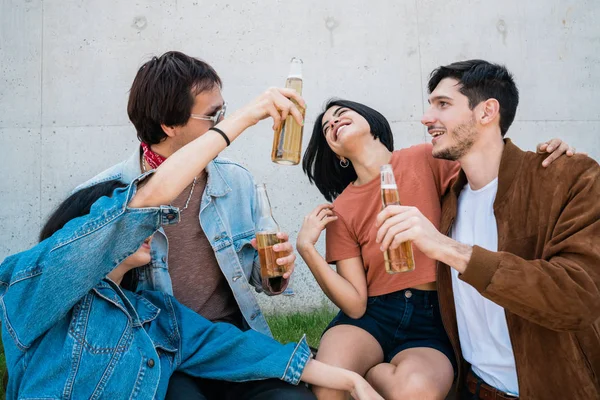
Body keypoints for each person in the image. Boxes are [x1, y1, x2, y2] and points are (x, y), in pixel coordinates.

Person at [0, 93, 384, 400]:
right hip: (174, 368)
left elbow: (228, 344)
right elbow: (137, 208)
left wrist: (349, 380)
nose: (152, 224)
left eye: (224, 112)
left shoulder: (156, 316)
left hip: (213, 341)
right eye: (212, 114)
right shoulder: (39, 290)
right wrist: (248, 117)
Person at [298, 98, 575, 399]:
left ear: (371, 122)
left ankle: (371, 373)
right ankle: (360, 374)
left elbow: (492, 170)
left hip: (431, 316)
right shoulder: (342, 208)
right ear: (335, 154)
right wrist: (308, 250)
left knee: (415, 391)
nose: (334, 123)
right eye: (326, 127)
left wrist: (547, 161)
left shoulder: (425, 158)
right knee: (327, 384)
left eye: (341, 114)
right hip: (374, 314)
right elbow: (355, 304)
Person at [74, 51, 308, 398]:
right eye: (213, 116)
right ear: (169, 124)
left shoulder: (235, 181)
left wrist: (275, 270)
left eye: (224, 111)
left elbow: (260, 279)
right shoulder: (107, 196)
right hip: (155, 351)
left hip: (230, 342)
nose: (223, 123)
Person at [375, 59, 600, 399]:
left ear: (486, 111)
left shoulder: (567, 177)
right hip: (472, 389)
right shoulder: (449, 199)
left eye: (443, 104)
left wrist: (448, 249)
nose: (426, 117)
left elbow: (579, 297)